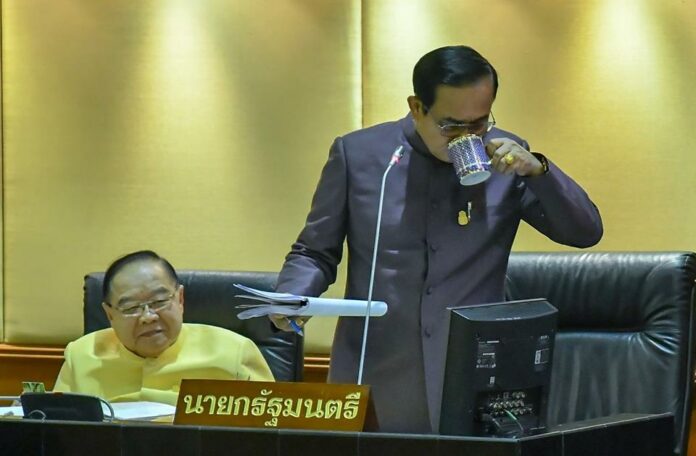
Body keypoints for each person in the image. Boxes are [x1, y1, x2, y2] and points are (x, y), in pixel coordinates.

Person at [272, 45, 603, 433]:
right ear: (417, 107)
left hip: (477, 376)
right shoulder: (361, 155)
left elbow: (585, 232)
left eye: (479, 123)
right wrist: (292, 296)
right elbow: (315, 250)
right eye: (451, 126)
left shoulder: (508, 159)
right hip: (377, 369)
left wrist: (539, 171)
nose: (467, 137)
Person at [54, 250, 274, 405]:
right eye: (130, 307)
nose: (148, 317)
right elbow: (58, 433)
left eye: (159, 302)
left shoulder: (234, 352)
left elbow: (269, 432)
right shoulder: (81, 356)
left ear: (180, 299)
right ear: (110, 314)